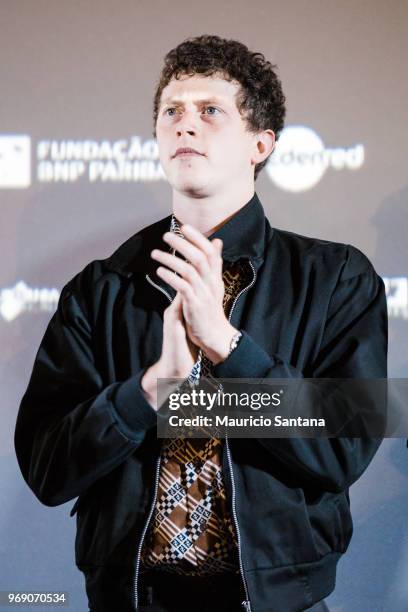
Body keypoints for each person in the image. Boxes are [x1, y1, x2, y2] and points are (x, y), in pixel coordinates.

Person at [14, 35, 388, 612]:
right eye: (172, 112)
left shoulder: (335, 277)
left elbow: (344, 447)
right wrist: (149, 390)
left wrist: (227, 346)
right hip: (134, 599)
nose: (185, 126)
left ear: (260, 143)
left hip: (275, 599)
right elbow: (46, 468)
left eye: (210, 111)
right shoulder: (102, 286)